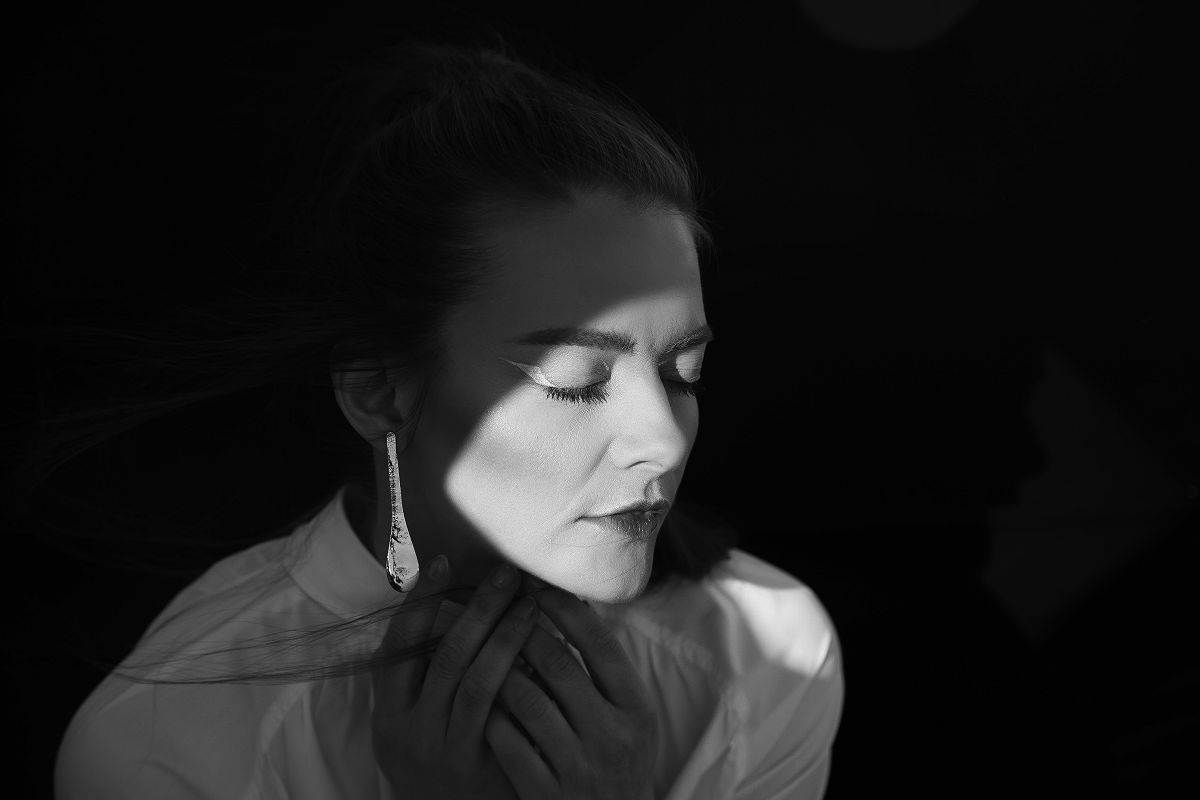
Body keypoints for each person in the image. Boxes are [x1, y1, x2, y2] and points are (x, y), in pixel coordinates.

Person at [45, 34, 843, 799]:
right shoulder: (167, 748)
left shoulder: (765, 657)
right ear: (378, 392)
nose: (664, 440)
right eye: (575, 381)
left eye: (681, 374)